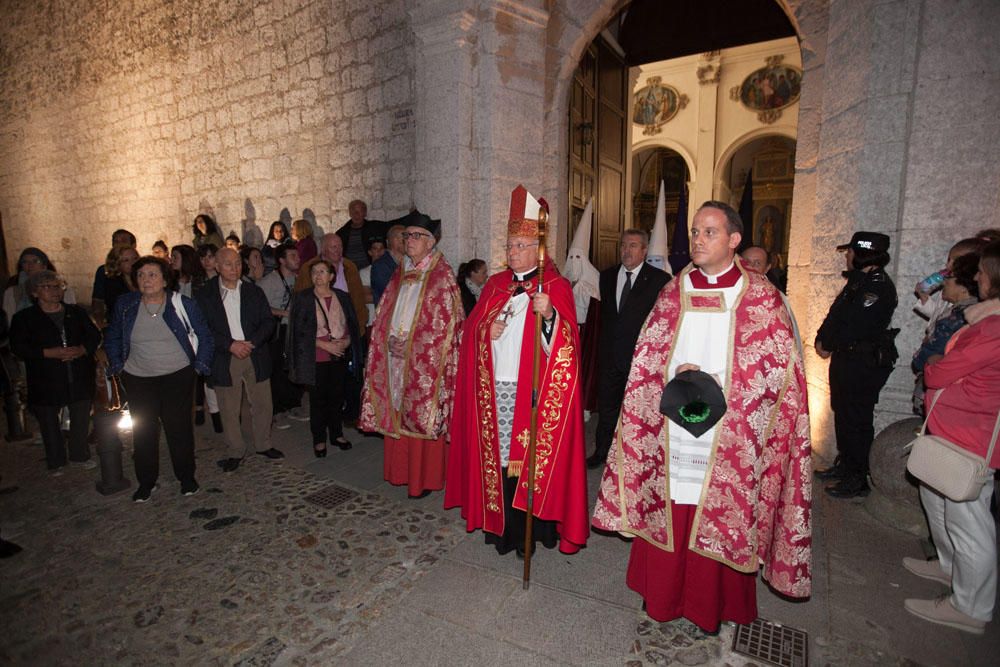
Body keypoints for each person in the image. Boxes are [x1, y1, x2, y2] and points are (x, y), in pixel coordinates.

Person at [592, 201, 812, 633]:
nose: (697, 239)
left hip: (730, 430)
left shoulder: (763, 297)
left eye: (709, 232)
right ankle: (663, 595)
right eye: (694, 231)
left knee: (721, 507)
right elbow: (647, 356)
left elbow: (779, 371)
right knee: (673, 502)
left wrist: (723, 381)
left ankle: (712, 604)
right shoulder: (674, 290)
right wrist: (672, 372)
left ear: (734, 240)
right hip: (675, 423)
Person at [446, 185, 589, 557]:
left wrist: (550, 316)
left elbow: (569, 344)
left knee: (526, 464)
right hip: (495, 389)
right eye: (509, 246)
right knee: (500, 460)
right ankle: (501, 529)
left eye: (520, 246)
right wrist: (483, 332)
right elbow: (470, 331)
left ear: (537, 249)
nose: (512, 252)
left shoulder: (554, 287)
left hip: (533, 392)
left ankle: (532, 530)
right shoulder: (495, 285)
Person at [903, 240, 1000, 636]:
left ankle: (971, 607)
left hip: (970, 435)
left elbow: (939, 371)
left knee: (970, 524)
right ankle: (948, 567)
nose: (975, 276)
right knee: (941, 504)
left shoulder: (993, 328)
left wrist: (935, 363)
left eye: (981, 270)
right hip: (951, 430)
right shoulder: (985, 320)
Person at [360, 213, 463, 498]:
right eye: (407, 236)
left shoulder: (442, 276)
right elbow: (383, 314)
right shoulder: (400, 272)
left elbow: (447, 328)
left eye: (416, 236)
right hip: (395, 359)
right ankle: (399, 472)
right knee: (396, 414)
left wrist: (412, 347)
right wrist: (386, 340)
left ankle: (422, 480)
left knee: (420, 417)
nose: (410, 241)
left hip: (425, 366)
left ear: (431, 242)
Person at [104, 256, 214, 502]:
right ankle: (146, 482)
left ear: (165, 279)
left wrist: (198, 367)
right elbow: (112, 337)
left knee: (179, 429)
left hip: (177, 375)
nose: (146, 280)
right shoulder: (125, 305)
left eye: (152, 274)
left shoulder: (181, 304)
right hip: (139, 377)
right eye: (141, 275)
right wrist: (118, 365)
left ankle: (186, 478)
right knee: (143, 431)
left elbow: (205, 336)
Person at [814, 231, 898, 498]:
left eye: (851, 251)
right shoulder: (858, 282)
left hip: (861, 363)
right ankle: (846, 464)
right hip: (845, 359)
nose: (847, 256)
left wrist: (829, 343)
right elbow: (836, 315)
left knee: (857, 420)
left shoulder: (876, 286)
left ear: (862, 254)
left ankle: (857, 478)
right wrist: (822, 339)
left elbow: (854, 325)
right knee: (843, 414)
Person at [587, 229, 670, 469]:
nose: (627, 250)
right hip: (610, 357)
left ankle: (635, 458)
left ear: (644, 250)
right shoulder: (607, 276)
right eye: (623, 245)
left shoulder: (659, 280)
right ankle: (602, 452)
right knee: (607, 409)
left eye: (633, 245)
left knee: (638, 411)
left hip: (640, 359)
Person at [196, 248, 282, 473]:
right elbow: (203, 328)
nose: (234, 269)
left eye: (237, 263)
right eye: (228, 264)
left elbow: (267, 321)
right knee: (228, 407)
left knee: (263, 402)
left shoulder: (253, 291)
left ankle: (263, 444)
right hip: (225, 356)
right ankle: (236, 450)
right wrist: (230, 345)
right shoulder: (205, 295)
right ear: (216, 266)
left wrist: (252, 342)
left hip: (254, 352)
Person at [9, 271, 101, 473]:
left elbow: (93, 336)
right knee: (49, 421)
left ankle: (79, 454)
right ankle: (56, 459)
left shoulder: (75, 312)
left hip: (77, 373)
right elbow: (18, 347)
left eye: (57, 286)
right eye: (47, 287)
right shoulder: (25, 318)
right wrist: (48, 353)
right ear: (35, 292)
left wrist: (82, 350)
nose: (54, 291)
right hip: (46, 376)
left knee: (80, 417)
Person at [287, 260, 361, 457]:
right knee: (318, 400)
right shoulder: (303, 298)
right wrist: (323, 344)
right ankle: (319, 439)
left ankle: (336, 434)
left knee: (337, 397)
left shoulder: (342, 297)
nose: (318, 275)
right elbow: (298, 332)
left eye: (322, 271)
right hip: (316, 356)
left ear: (331, 276)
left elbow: (351, 324)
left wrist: (346, 342)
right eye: (314, 272)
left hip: (338, 356)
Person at [257, 245, 302, 428]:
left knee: (295, 367)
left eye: (297, 255)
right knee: (277, 370)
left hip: (296, 329)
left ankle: (293, 404)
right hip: (278, 331)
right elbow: (260, 307)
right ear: (282, 260)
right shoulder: (269, 281)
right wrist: (283, 313)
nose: (297, 259)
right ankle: (277, 410)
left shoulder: (300, 279)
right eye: (292, 255)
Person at [92, 229, 137, 325]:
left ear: (133, 245)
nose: (119, 245)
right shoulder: (105, 273)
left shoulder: (143, 272)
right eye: (116, 242)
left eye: (124, 241)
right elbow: (98, 301)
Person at [336, 199, 384, 269]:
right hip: (350, 272)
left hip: (370, 271)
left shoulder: (374, 228)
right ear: (350, 213)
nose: (356, 214)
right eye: (353, 211)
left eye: (360, 211)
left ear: (365, 213)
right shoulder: (341, 233)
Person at [371, 223, 405, 306]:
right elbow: (388, 293)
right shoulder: (380, 266)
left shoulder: (408, 261)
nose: (407, 241)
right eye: (397, 237)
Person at [103, 246, 140, 320]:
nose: (133, 263)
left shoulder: (146, 280)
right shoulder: (113, 284)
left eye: (135, 258)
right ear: (117, 264)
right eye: (126, 260)